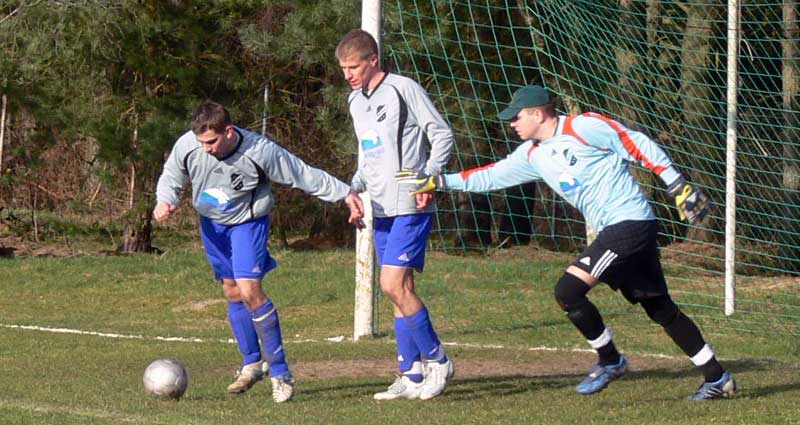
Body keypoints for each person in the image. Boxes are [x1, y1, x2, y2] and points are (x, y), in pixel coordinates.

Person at [396, 84, 737, 401]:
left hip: (629, 223)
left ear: (537, 113)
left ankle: (611, 359)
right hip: (622, 229)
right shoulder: (532, 154)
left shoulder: (583, 127)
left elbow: (636, 142)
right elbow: (489, 176)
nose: (512, 123)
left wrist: (676, 184)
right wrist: (438, 181)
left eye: (516, 116)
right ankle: (717, 377)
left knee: (568, 291)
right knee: (660, 308)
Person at [154, 100, 363, 403]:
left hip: (247, 222)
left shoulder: (259, 151)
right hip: (212, 224)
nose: (206, 149)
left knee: (250, 289)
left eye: (211, 142)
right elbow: (171, 175)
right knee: (231, 290)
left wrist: (344, 193)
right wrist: (165, 199)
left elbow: (301, 173)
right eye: (202, 142)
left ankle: (280, 373)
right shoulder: (189, 145)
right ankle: (252, 363)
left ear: (228, 131)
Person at [336, 29, 455, 401]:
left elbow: (442, 133)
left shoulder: (404, 89)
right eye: (343, 69)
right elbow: (369, 152)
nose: (348, 75)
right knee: (400, 290)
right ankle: (412, 374)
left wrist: (429, 178)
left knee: (391, 284)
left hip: (410, 201)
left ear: (373, 60)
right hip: (381, 205)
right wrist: (354, 187)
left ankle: (439, 360)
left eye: (354, 67)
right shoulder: (356, 101)